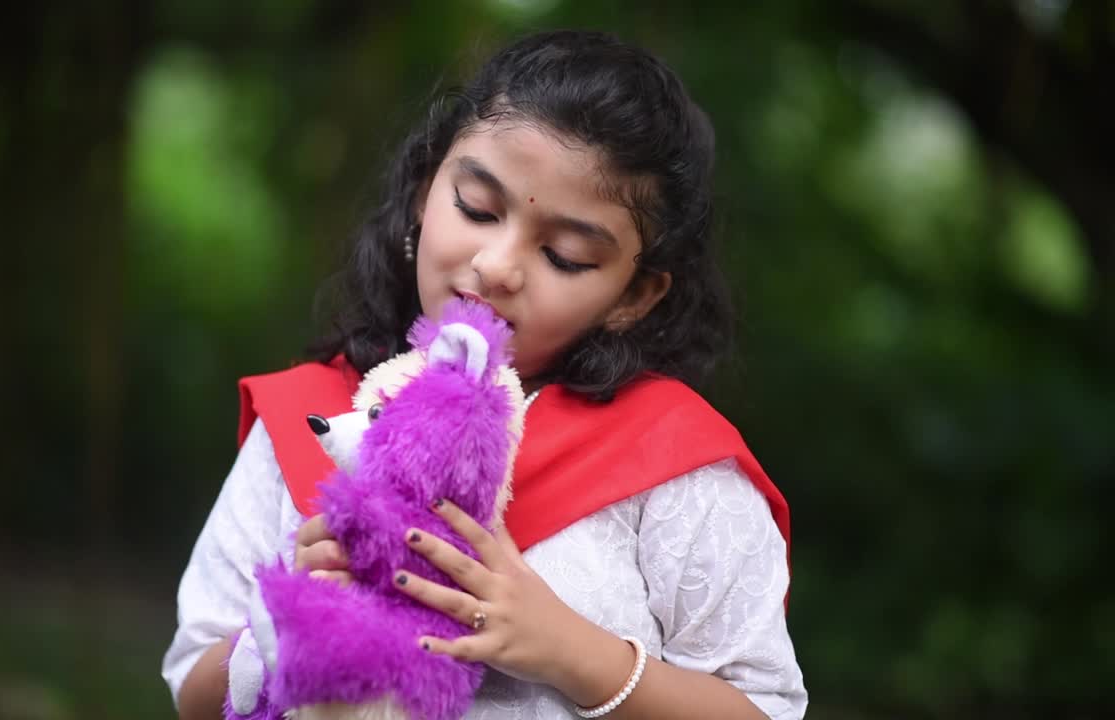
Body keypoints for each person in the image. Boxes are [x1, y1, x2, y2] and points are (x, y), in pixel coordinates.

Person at [163, 29, 807, 720]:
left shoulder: (676, 467)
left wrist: (574, 654)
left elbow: (765, 708)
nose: (498, 266)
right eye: (475, 207)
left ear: (634, 295)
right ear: (424, 190)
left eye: (565, 255)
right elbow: (191, 687)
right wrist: (286, 623)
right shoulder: (313, 416)